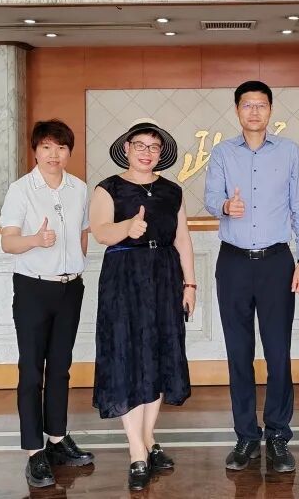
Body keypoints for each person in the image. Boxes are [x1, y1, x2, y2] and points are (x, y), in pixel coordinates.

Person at [204, 80, 299, 474]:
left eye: (261, 105)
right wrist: (224, 206)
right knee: (239, 354)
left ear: (270, 110)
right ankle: (246, 436)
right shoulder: (222, 152)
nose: (254, 111)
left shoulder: (288, 151)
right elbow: (209, 198)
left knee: (278, 353)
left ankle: (279, 435)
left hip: (276, 262)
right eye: (247, 105)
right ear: (237, 110)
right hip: (233, 262)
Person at [89, 118, 196, 492]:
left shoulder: (171, 191)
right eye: (140, 145)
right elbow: (100, 231)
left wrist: (190, 284)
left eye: (154, 146)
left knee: (159, 355)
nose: (147, 152)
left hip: (164, 276)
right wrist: (126, 229)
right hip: (124, 277)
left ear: (160, 152)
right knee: (128, 356)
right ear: (127, 148)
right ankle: (136, 451)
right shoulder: (109, 188)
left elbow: (182, 238)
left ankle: (148, 438)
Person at [0, 119, 95, 489]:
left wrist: (77, 265)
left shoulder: (79, 188)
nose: (54, 154)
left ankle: (57, 438)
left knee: (60, 368)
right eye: (46, 147)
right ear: (36, 151)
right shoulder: (21, 190)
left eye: (61, 147)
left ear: (69, 152)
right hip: (33, 289)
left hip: (70, 288)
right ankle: (33, 451)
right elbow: (8, 242)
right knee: (31, 371)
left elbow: (83, 232)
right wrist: (35, 241)